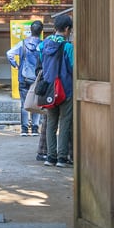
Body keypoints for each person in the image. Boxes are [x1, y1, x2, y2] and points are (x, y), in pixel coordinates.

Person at [40, 15, 75, 167]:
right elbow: (74, 68)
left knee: (51, 123)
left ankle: (50, 157)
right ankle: (62, 158)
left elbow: (41, 64)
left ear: (55, 28)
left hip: (48, 89)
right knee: (65, 123)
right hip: (65, 89)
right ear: (67, 29)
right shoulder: (68, 47)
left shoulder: (44, 44)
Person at [6, 20, 44, 137]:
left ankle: (23, 129)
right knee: (36, 101)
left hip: (23, 77)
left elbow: (9, 53)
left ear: (30, 31)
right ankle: (34, 128)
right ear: (41, 31)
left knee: (24, 103)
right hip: (37, 78)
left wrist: (15, 64)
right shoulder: (42, 45)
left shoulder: (22, 43)